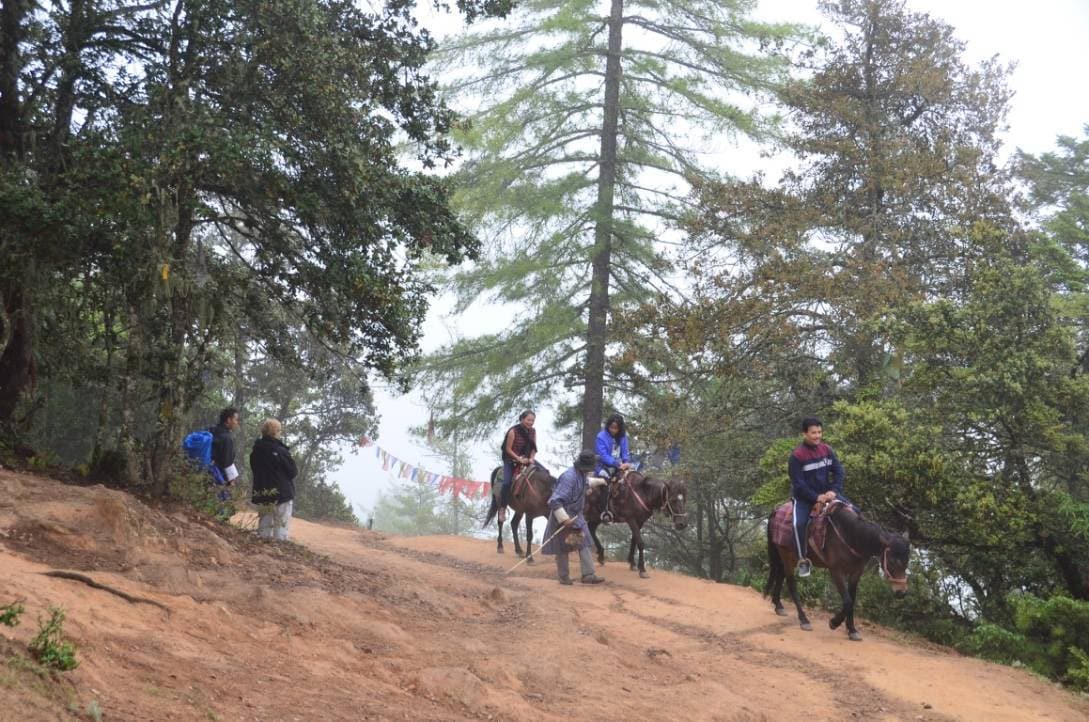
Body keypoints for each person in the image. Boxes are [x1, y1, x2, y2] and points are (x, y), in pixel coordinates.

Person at [788, 416, 852, 577]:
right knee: (798, 524)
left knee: (853, 511)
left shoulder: (827, 450)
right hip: (804, 499)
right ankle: (802, 560)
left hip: (828, 495)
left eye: (819, 432)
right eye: (813, 433)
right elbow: (799, 485)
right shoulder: (796, 456)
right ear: (804, 434)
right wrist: (816, 497)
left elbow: (839, 472)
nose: (817, 436)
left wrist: (834, 491)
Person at [540, 450, 607, 585]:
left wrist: (601, 481)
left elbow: (587, 482)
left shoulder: (581, 475)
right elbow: (554, 501)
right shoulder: (569, 478)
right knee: (562, 547)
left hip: (577, 516)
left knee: (584, 542)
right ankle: (564, 577)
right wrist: (564, 519)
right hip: (563, 516)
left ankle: (588, 575)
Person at [250, 418, 298, 541]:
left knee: (264, 525)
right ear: (275, 432)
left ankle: (263, 550)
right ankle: (279, 552)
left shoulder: (256, 451)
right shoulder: (280, 451)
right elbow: (293, 472)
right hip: (282, 494)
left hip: (263, 492)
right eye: (279, 430)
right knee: (281, 526)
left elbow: (255, 469)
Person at [499, 410, 539, 513]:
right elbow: (508, 449)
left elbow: (534, 447)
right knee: (507, 483)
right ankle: (502, 508)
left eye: (532, 420)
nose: (530, 422)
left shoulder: (533, 432)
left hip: (527, 460)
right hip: (512, 460)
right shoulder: (513, 431)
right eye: (528, 420)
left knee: (544, 472)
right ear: (522, 419)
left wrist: (532, 458)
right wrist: (519, 459)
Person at [209, 407, 241, 517]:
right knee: (222, 505)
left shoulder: (211, 430)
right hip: (219, 475)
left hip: (207, 471)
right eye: (236, 420)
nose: (237, 423)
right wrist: (231, 480)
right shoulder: (226, 438)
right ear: (228, 420)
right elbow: (227, 462)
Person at [595, 413, 632, 480]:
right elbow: (603, 455)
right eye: (611, 427)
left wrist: (626, 462)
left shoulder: (623, 437)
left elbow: (625, 451)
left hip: (620, 465)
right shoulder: (601, 437)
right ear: (608, 425)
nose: (613, 430)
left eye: (616, 428)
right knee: (603, 481)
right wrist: (616, 463)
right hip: (603, 466)